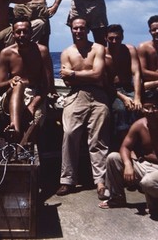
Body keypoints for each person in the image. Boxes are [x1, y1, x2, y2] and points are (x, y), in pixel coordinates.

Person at [56, 17, 110, 201]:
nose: (78, 31)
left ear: (87, 30)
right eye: (75, 28)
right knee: (69, 133)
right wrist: (79, 76)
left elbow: (98, 74)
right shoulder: (66, 53)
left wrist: (74, 73)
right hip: (76, 94)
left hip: (98, 95)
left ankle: (100, 181)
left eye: (82, 28)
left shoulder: (98, 48)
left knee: (97, 139)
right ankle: (67, 179)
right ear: (71, 30)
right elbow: (67, 81)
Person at [0, 17, 53, 145]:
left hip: (35, 94)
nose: (22, 35)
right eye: (18, 32)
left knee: (36, 121)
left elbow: (47, 85)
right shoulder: (6, 53)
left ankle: (22, 146)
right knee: (18, 84)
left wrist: (33, 105)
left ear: (31, 32)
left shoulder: (42, 51)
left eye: (25, 32)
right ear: (13, 33)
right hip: (11, 96)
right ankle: (15, 128)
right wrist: (11, 81)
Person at [105, 24, 142, 150]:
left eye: (118, 38)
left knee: (139, 108)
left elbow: (136, 73)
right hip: (113, 90)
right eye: (111, 38)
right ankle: (124, 147)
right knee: (120, 109)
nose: (114, 41)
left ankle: (139, 145)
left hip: (129, 87)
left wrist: (137, 96)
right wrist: (123, 98)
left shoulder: (130, 49)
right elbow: (105, 83)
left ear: (122, 37)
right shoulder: (103, 55)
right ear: (106, 38)